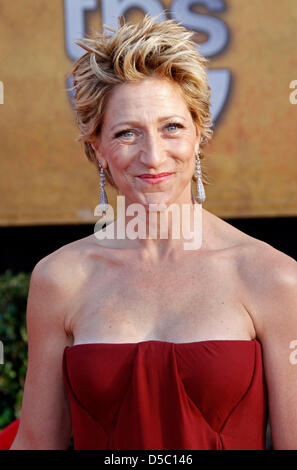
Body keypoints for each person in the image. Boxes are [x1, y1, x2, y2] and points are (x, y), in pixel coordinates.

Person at [10, 15, 297, 450]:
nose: (153, 155)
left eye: (172, 127)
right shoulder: (60, 280)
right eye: (127, 133)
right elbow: (35, 443)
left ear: (199, 134)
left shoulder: (272, 276)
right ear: (97, 149)